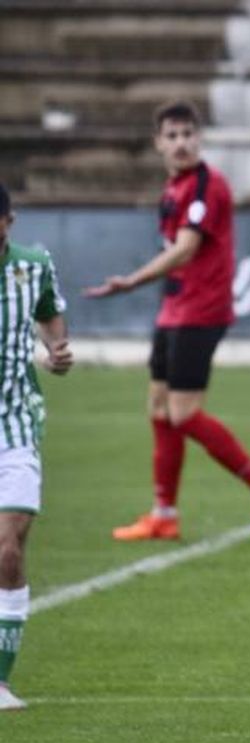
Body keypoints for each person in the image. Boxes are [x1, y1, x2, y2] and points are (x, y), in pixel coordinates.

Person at [86, 101, 250, 546]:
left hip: (201, 311)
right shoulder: (175, 187)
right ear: (159, 143)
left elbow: (185, 248)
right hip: (174, 309)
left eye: (188, 134)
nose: (181, 143)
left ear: (199, 138)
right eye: (172, 136)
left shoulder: (206, 187)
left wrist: (133, 281)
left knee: (183, 412)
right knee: (159, 408)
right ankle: (164, 514)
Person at [0, 183, 74, 710]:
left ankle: (0, 680)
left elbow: (49, 319)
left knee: (9, 544)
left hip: (15, 422)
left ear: (9, 221)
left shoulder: (32, 266)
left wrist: (56, 350)